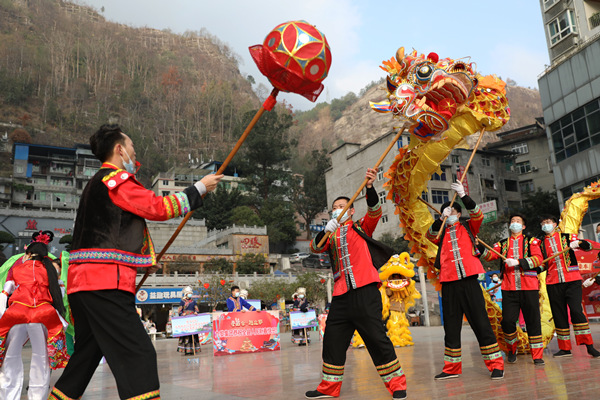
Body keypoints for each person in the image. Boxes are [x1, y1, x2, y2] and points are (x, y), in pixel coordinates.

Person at [49, 124, 222, 400]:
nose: (134, 153)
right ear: (119, 149)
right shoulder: (115, 180)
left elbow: (108, 236)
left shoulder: (94, 184)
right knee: (139, 354)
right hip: (105, 284)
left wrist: (141, 262)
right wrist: (198, 189)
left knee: (84, 359)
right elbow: (157, 207)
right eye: (131, 148)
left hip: (83, 285)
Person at [305, 168, 406, 400]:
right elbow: (315, 247)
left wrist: (369, 187)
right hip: (341, 295)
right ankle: (328, 388)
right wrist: (324, 231)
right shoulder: (329, 235)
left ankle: (397, 384)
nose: (337, 210)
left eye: (342, 206)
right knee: (332, 340)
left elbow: (375, 210)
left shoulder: (361, 226)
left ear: (350, 210)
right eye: (334, 208)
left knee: (376, 338)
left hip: (365, 291)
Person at [427, 180, 504, 381]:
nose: (449, 215)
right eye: (446, 212)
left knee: (480, 323)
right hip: (448, 282)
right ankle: (451, 368)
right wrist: (439, 220)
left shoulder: (469, 228)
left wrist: (463, 195)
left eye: (452, 212)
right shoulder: (441, 231)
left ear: (459, 214)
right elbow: (430, 235)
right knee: (451, 326)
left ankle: (496, 365)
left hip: (469, 281)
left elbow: (478, 214)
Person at [0, 240, 69, 400]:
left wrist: (3, 314)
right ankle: (37, 397)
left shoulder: (16, 268)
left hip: (17, 313)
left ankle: (9, 396)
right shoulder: (51, 270)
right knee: (41, 358)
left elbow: (4, 293)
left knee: (11, 357)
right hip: (44, 315)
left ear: (28, 254)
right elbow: (60, 293)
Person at [479, 214, 545, 365]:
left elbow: (538, 259)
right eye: (512, 221)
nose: (514, 223)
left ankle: (537, 355)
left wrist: (518, 261)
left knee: (533, 321)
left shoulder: (532, 242)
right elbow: (489, 255)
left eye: (518, 221)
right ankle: (512, 349)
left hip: (529, 287)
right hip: (509, 288)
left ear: (523, 226)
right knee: (508, 321)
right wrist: (478, 246)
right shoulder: (502, 244)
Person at [538, 215, 600, 358]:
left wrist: (578, 243)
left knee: (576, 311)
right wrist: (531, 271)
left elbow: (588, 247)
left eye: (548, 222)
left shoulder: (567, 237)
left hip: (572, 280)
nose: (545, 225)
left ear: (554, 224)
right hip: (553, 282)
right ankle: (565, 348)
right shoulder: (540, 244)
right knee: (559, 315)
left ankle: (589, 346)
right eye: (543, 223)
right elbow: (541, 264)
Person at [178, 286, 200, 355]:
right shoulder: (182, 301)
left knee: (193, 335)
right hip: (185, 320)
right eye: (189, 293)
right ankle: (186, 350)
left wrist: (196, 312)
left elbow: (197, 309)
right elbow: (179, 311)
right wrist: (182, 314)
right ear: (186, 294)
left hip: (192, 320)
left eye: (191, 293)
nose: (190, 294)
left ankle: (193, 350)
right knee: (186, 335)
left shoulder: (193, 302)